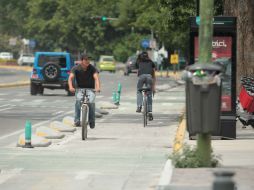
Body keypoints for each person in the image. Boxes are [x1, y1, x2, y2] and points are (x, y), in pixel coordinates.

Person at [68, 53, 101, 128]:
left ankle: (91, 121)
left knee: (91, 103)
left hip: (91, 89)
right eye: (86, 59)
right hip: (79, 89)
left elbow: (96, 78)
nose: (88, 61)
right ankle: (77, 120)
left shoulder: (92, 68)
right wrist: (70, 87)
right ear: (82, 60)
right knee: (78, 102)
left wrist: (98, 87)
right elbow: (70, 78)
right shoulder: (76, 68)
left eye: (89, 59)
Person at [136, 51, 156, 121]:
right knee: (149, 94)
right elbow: (154, 75)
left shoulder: (139, 62)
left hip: (141, 77)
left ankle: (139, 106)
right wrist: (153, 88)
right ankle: (150, 112)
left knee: (139, 91)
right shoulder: (151, 62)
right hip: (149, 77)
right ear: (148, 56)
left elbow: (137, 72)